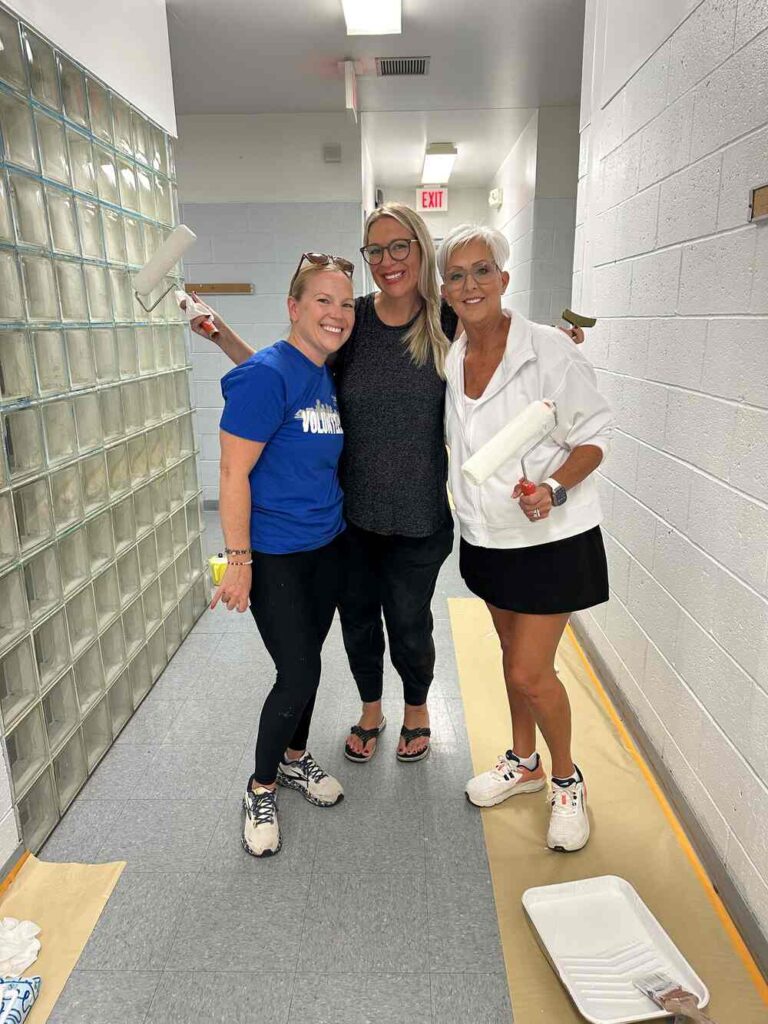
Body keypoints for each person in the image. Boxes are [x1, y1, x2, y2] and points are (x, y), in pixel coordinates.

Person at [205, 203, 585, 767]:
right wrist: (222, 338)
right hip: (350, 519)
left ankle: (416, 709)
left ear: (421, 249)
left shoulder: (446, 321)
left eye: (400, 246)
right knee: (358, 622)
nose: (388, 261)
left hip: (419, 517)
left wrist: (554, 342)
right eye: (376, 250)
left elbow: (503, 341)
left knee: (410, 622)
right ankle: (370, 707)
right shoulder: (352, 321)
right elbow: (288, 371)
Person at [438, 223, 613, 852]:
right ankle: (524, 763)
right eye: (456, 275)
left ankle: (566, 779)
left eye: (482, 270)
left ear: (504, 280)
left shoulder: (549, 349)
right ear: (447, 292)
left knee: (530, 670)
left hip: (551, 540)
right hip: (487, 537)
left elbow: (593, 438)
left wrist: (554, 489)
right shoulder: (453, 355)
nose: (470, 284)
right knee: (513, 668)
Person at [200, 253, 355, 857]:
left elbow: (274, 386)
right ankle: (260, 785)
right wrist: (239, 561)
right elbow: (232, 471)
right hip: (277, 553)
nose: (336, 313)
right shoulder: (270, 373)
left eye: (345, 303)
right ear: (294, 307)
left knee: (309, 660)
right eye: (322, 301)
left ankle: (294, 759)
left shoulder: (319, 369)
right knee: (298, 672)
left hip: (327, 544)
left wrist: (220, 335)